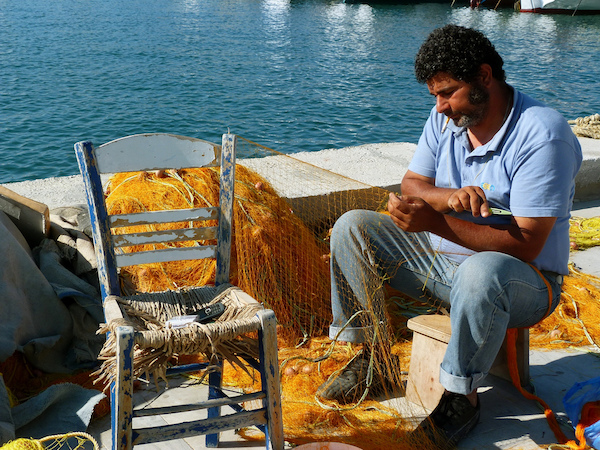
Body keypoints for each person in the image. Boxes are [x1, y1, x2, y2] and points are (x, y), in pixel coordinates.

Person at [316, 24, 582, 448]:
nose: (440, 107)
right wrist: (447, 197)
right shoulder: (448, 120)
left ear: (484, 77)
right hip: (445, 267)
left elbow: (527, 244)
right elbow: (413, 184)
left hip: (525, 283)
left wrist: (436, 222)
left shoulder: (543, 135)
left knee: (482, 272)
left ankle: (461, 398)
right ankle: (373, 359)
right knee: (353, 227)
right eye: (434, 96)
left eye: (448, 93)